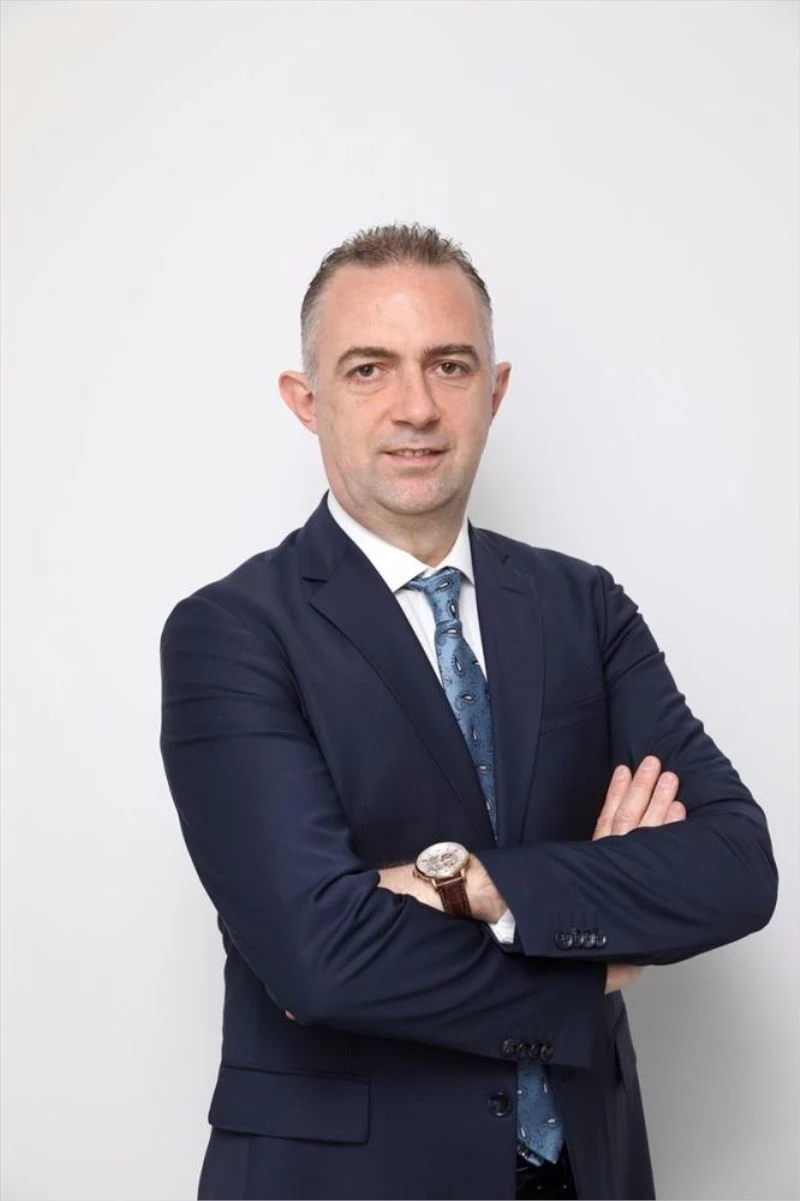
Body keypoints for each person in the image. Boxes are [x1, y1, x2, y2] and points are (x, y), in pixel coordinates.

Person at [158, 223, 777, 1201]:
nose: (416, 406)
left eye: (449, 365)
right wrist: (593, 953)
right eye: (369, 368)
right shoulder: (231, 632)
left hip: (585, 1167)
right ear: (306, 400)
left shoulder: (583, 606)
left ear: (494, 390)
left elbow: (736, 866)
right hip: (348, 1180)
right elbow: (320, 957)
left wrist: (475, 885)